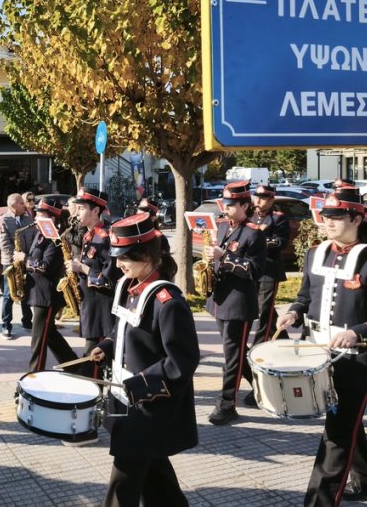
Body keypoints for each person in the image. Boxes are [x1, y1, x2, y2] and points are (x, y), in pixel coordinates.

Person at [276, 185, 367, 505]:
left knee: (336, 436)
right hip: (317, 356)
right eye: (324, 215)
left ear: (357, 218)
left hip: (354, 362)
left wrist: (357, 332)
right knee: (345, 422)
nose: (327, 221)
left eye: (336, 216)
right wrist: (293, 312)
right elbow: (305, 296)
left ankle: (319, 500)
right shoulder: (315, 253)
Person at [92, 213, 199, 506]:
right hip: (126, 401)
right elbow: (124, 331)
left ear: (148, 256)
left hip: (148, 405)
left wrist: (141, 386)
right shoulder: (130, 287)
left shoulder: (168, 301)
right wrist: (107, 345)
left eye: (125, 257)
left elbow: (182, 360)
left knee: (123, 482)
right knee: (157, 479)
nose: (118, 264)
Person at [204, 180, 266, 426]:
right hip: (220, 300)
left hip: (239, 304)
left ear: (244, 204)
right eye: (224, 204)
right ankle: (263, 386)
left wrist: (226, 257)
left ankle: (227, 404)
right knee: (237, 353)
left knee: (232, 356)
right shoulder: (221, 227)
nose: (225, 209)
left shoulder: (254, 233)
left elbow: (255, 270)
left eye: (230, 205)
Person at [66, 188, 120, 377]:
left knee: (94, 359)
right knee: (92, 359)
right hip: (91, 306)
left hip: (102, 309)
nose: (76, 212)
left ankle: (94, 399)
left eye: (81, 208)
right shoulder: (89, 236)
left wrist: (83, 269)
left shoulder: (105, 238)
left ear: (95, 211)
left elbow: (109, 279)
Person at [23, 198, 78, 371]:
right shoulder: (40, 235)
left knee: (38, 339)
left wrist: (24, 260)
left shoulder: (55, 240)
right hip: (37, 293)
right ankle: (74, 364)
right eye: (36, 213)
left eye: (40, 214)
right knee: (49, 334)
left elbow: (45, 267)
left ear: (52, 219)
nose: (36, 217)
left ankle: (34, 373)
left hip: (47, 297)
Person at [247, 184, 290, 348]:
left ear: (271, 200)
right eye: (256, 196)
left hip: (269, 270)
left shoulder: (278, 218)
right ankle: (284, 339)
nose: (258, 200)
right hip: (252, 269)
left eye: (263, 198)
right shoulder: (249, 216)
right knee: (265, 308)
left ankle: (259, 345)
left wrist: (259, 239)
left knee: (264, 310)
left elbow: (281, 243)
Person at [0, 193, 34, 338]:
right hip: (10, 263)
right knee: (9, 294)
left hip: (26, 260)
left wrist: (28, 257)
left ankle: (27, 321)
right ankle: (6, 325)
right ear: (12, 206)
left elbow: (33, 237)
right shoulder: (3, 220)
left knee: (26, 292)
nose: (24, 205)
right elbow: (4, 243)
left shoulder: (28, 219)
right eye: (21, 204)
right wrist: (16, 256)